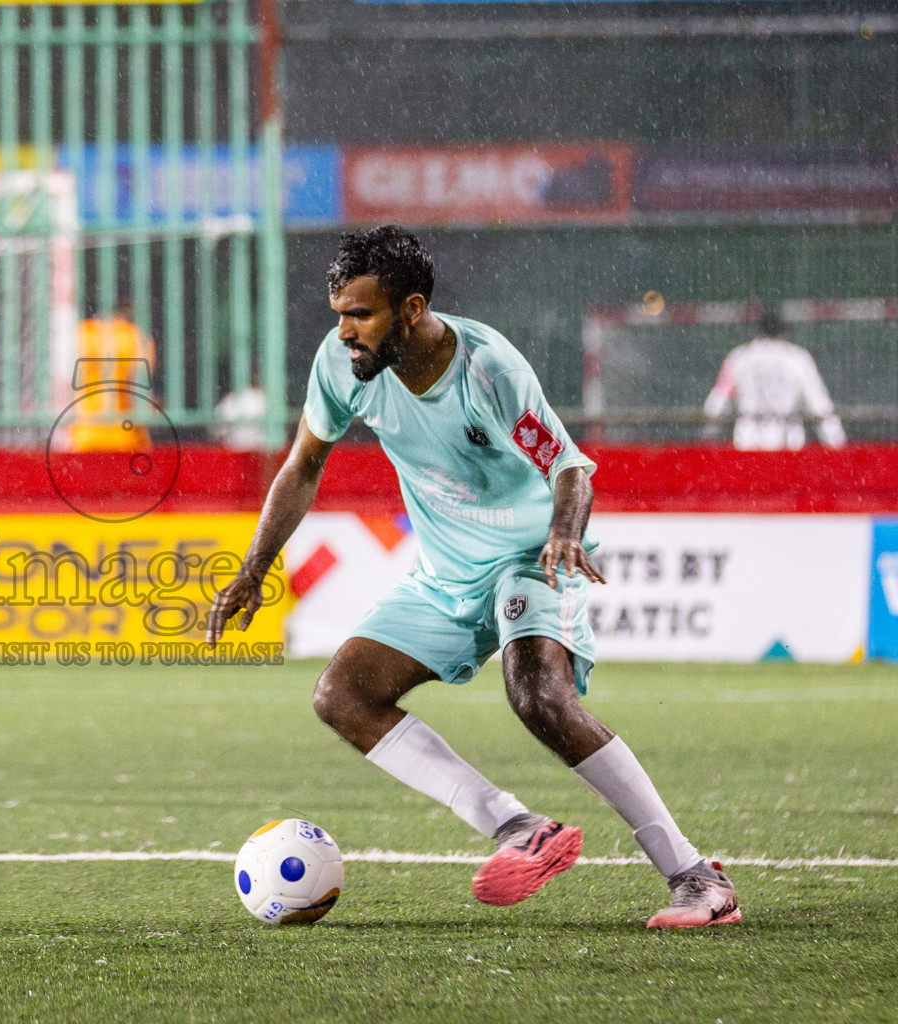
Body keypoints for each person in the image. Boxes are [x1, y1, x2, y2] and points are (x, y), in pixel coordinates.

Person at [207, 226, 740, 929]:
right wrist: (254, 568)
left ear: (411, 309)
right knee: (343, 695)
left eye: (360, 314)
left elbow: (570, 467)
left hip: (530, 558)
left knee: (539, 697)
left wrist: (563, 533)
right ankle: (520, 829)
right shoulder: (341, 366)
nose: (344, 332)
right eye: (338, 314)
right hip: (445, 577)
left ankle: (697, 878)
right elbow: (303, 465)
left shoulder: (488, 368)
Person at [703, 307, 845, 451]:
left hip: (748, 445)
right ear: (782, 331)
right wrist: (836, 442)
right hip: (789, 447)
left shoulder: (739, 358)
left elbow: (717, 402)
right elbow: (818, 403)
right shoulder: (798, 359)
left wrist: (708, 436)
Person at [66, 302, 157, 451]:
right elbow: (138, 394)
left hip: (83, 436)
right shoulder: (136, 336)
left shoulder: (80, 333)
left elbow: (65, 386)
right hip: (125, 437)